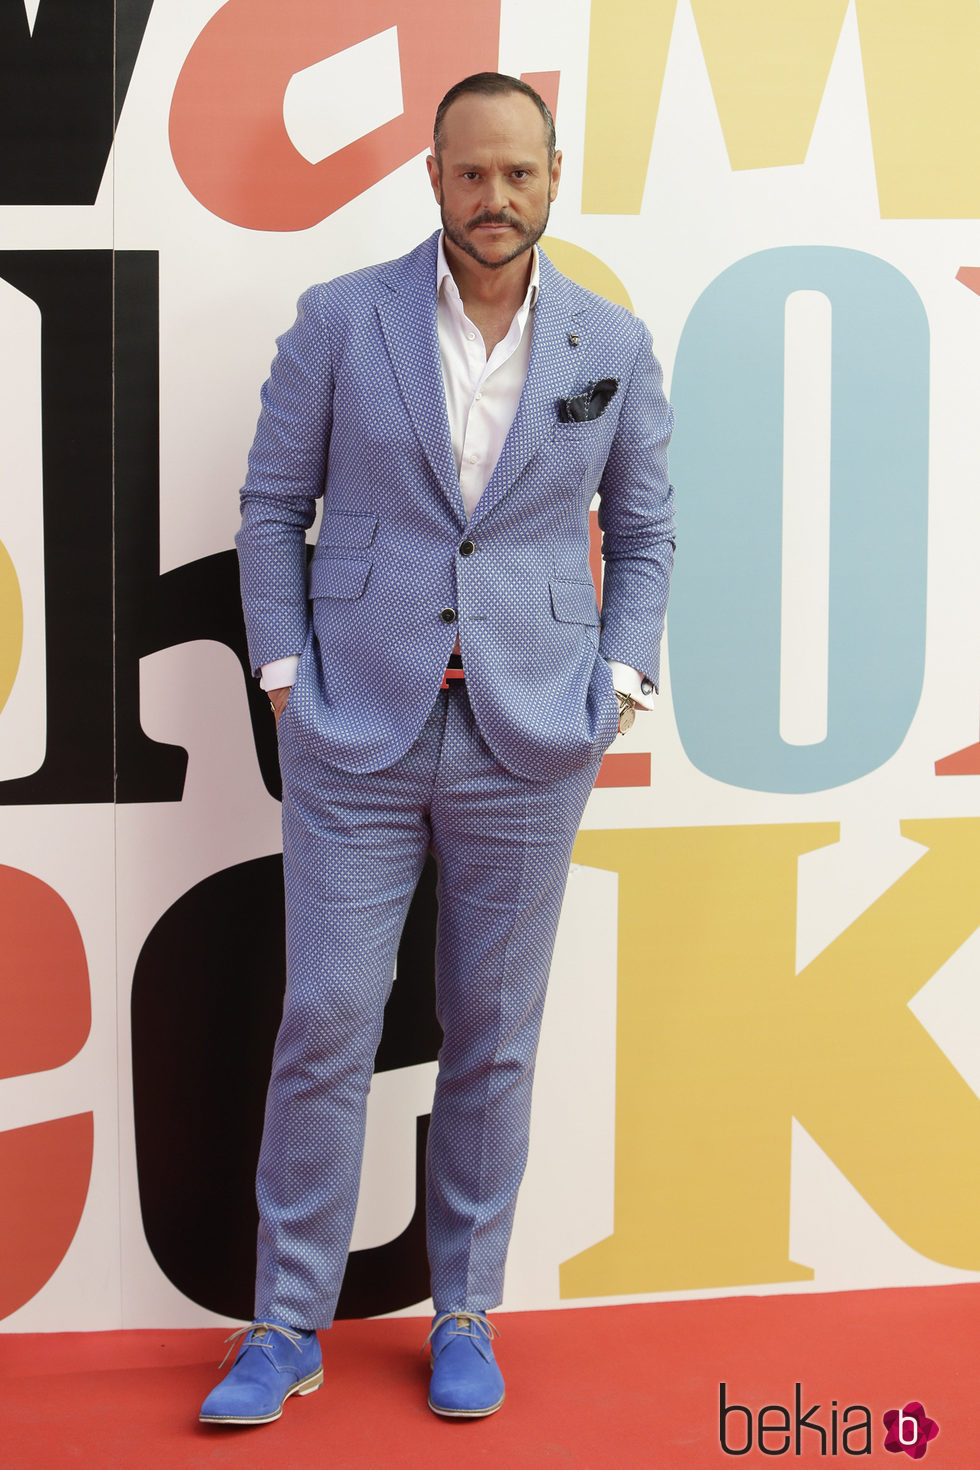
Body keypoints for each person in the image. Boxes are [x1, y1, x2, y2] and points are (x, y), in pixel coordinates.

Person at [200, 71, 674, 1426]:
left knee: (494, 1034)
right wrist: (285, 675)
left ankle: (464, 1308)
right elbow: (271, 507)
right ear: (434, 177)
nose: (495, 198)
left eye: (518, 173)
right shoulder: (343, 321)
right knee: (325, 1020)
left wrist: (618, 681)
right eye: (472, 174)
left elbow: (645, 530)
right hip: (356, 726)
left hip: (532, 738)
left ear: (553, 175)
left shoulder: (610, 343)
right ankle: (285, 1325)